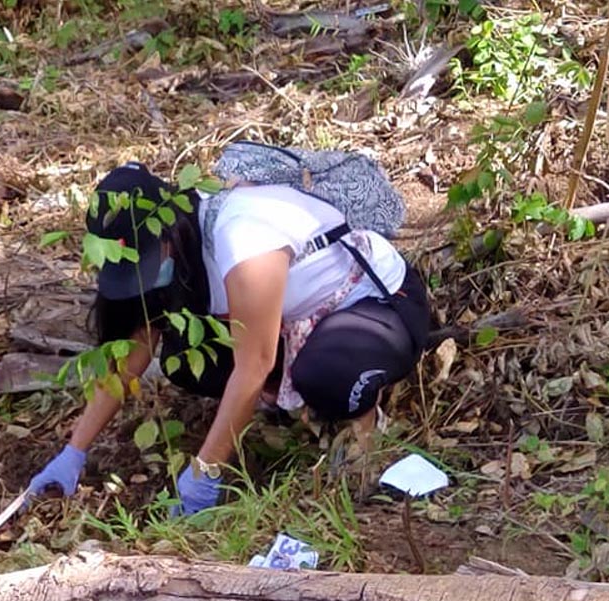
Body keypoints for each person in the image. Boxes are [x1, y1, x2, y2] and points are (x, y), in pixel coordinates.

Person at [26, 161, 430, 516]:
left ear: (167, 232)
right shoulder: (176, 249)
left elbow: (254, 364)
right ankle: (289, 404)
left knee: (327, 377)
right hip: (291, 323)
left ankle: (360, 416)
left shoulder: (242, 236)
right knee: (184, 360)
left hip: (374, 305)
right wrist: (74, 451)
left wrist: (206, 471)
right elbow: (137, 346)